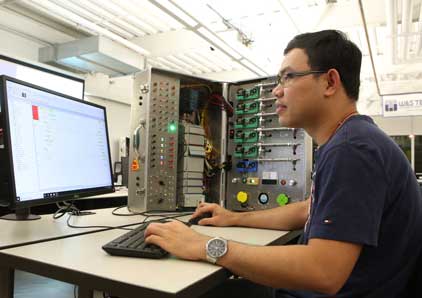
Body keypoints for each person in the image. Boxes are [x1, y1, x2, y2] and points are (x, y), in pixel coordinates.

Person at [144, 30, 422, 297]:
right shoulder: (353, 139)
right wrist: (234, 218)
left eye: (288, 77)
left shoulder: (351, 150)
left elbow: (323, 271)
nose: (277, 90)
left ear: (330, 82)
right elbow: (308, 209)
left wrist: (204, 245)